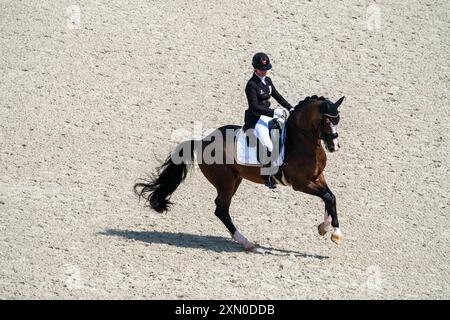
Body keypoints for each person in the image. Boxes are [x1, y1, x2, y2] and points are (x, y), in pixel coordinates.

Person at [244, 52, 293, 188]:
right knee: (270, 145)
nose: (264, 72)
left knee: (285, 134)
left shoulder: (268, 81)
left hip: (268, 116)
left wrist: (290, 108)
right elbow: (254, 107)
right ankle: (269, 176)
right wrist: (274, 112)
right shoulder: (251, 85)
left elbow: (277, 96)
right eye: (262, 69)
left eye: (266, 69)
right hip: (256, 119)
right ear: (255, 68)